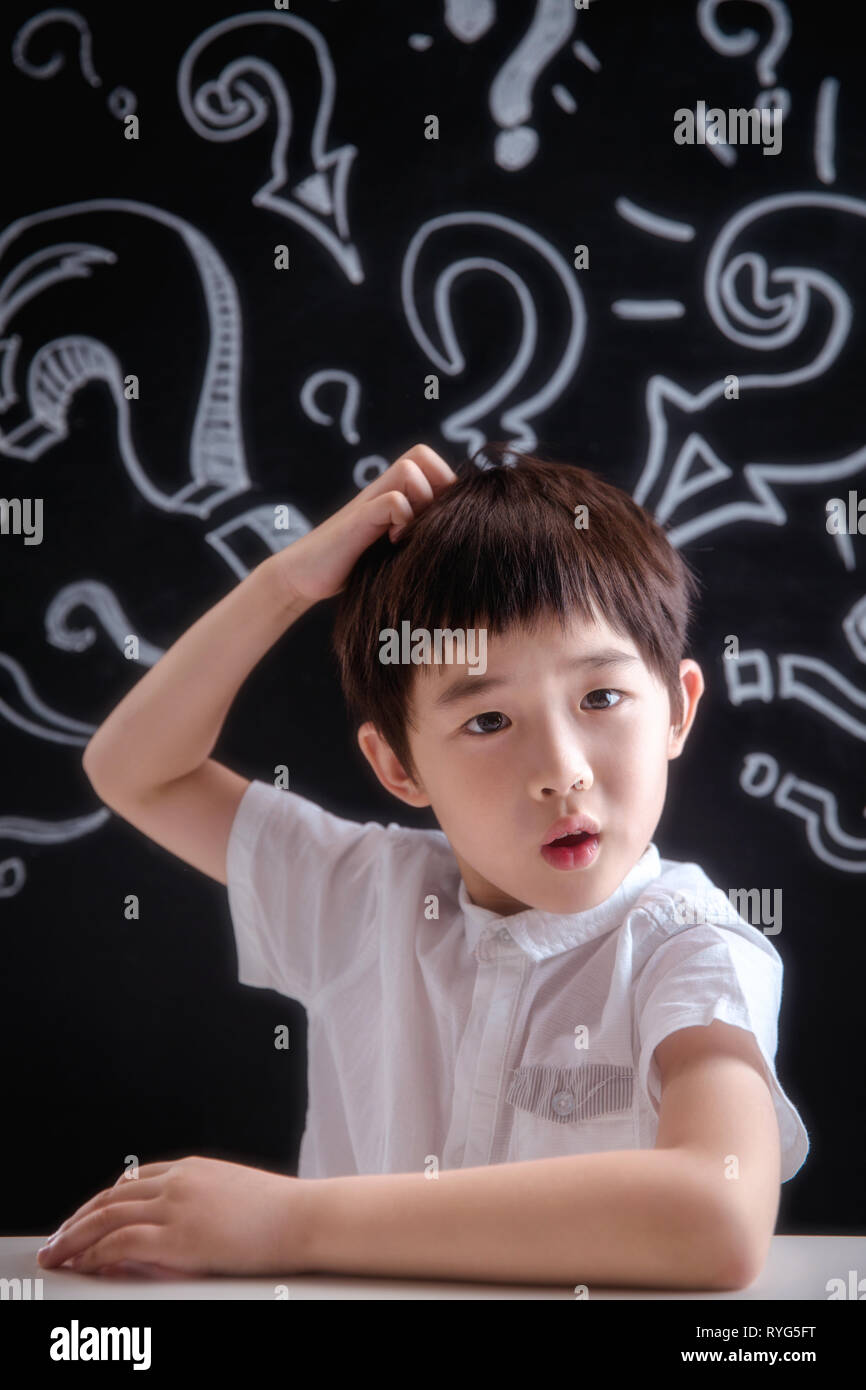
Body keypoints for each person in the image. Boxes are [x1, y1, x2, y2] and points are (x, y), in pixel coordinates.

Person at [38, 442, 808, 1290]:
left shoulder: (689, 944)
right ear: (397, 766)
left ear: (677, 710)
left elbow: (721, 1216)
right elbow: (134, 768)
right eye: (486, 721)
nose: (561, 769)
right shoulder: (362, 893)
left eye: (600, 698)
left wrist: (290, 1223)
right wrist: (287, 581)